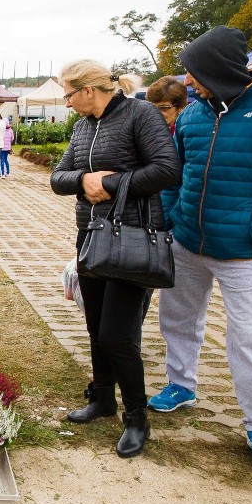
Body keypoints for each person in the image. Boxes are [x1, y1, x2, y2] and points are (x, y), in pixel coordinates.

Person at [51, 59, 179, 458]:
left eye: (69, 94)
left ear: (89, 90)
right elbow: (59, 177)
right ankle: (103, 398)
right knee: (95, 327)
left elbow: (167, 169)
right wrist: (83, 180)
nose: (67, 102)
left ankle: (137, 417)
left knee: (117, 335)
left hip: (132, 242)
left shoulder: (140, 115)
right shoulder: (83, 126)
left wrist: (108, 182)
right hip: (92, 238)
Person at [145, 26, 252, 463]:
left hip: (244, 250)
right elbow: (174, 175)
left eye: (194, 72)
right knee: (177, 316)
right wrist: (166, 219)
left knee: (249, 337)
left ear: (219, 68)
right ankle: (181, 384)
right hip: (188, 240)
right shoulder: (193, 116)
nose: (188, 82)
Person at [144, 76, 189, 229]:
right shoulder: (146, 131)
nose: (157, 113)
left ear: (181, 107)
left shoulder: (185, 133)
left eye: (164, 108)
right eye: (153, 108)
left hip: (176, 211)